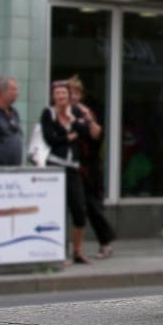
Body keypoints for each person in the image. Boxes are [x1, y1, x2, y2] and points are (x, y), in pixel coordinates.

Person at [40, 80, 93, 264]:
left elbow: (86, 133)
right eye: (57, 94)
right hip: (55, 166)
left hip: (73, 167)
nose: (61, 96)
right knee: (57, 211)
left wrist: (73, 122)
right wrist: (68, 136)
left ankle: (77, 251)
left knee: (79, 209)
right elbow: (50, 138)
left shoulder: (75, 112)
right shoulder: (48, 113)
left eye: (64, 93)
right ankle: (59, 252)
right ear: (53, 96)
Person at [68, 75, 116, 258]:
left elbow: (96, 134)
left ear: (79, 94)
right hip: (69, 164)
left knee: (90, 205)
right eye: (67, 92)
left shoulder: (84, 112)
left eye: (73, 92)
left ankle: (105, 242)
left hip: (87, 166)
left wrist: (87, 119)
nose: (70, 96)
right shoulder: (60, 113)